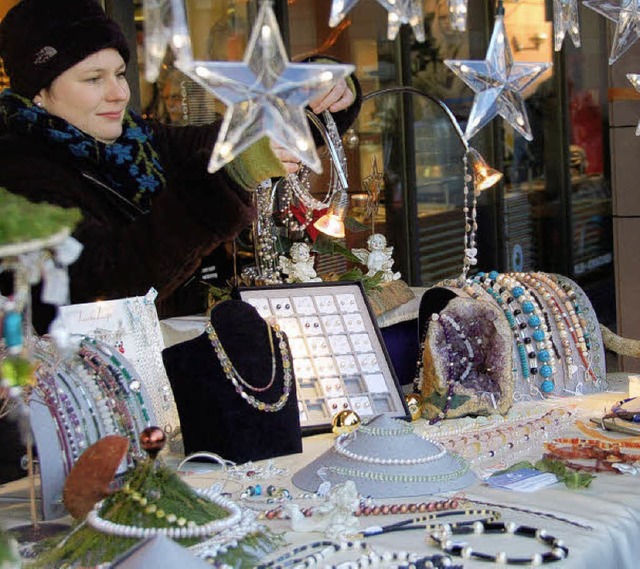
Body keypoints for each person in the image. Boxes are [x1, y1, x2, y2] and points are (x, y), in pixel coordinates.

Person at [0, 0, 361, 332]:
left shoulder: (138, 142)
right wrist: (230, 177)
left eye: (121, 73)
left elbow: (224, 139)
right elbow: (102, 285)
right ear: (39, 92)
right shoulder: (17, 177)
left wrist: (313, 91)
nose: (119, 93)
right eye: (94, 79)